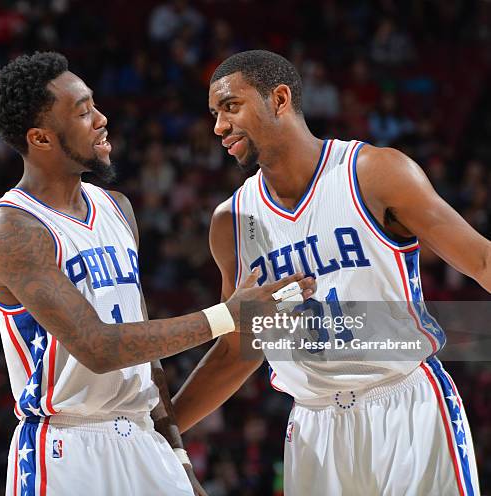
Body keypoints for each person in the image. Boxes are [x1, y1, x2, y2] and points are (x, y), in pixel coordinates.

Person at [0, 52, 314, 496]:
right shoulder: (12, 229)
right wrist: (228, 315)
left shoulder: (117, 208)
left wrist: (177, 459)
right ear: (40, 138)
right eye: (82, 112)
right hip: (67, 449)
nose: (101, 119)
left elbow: (144, 354)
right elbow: (98, 348)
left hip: (142, 439)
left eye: (94, 104)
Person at [173, 50, 489, 495]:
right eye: (214, 114)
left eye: (230, 107)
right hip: (313, 425)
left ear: (279, 99)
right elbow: (237, 350)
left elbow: (481, 261)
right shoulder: (232, 221)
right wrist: (161, 433)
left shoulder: (373, 173)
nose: (218, 128)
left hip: (404, 405)